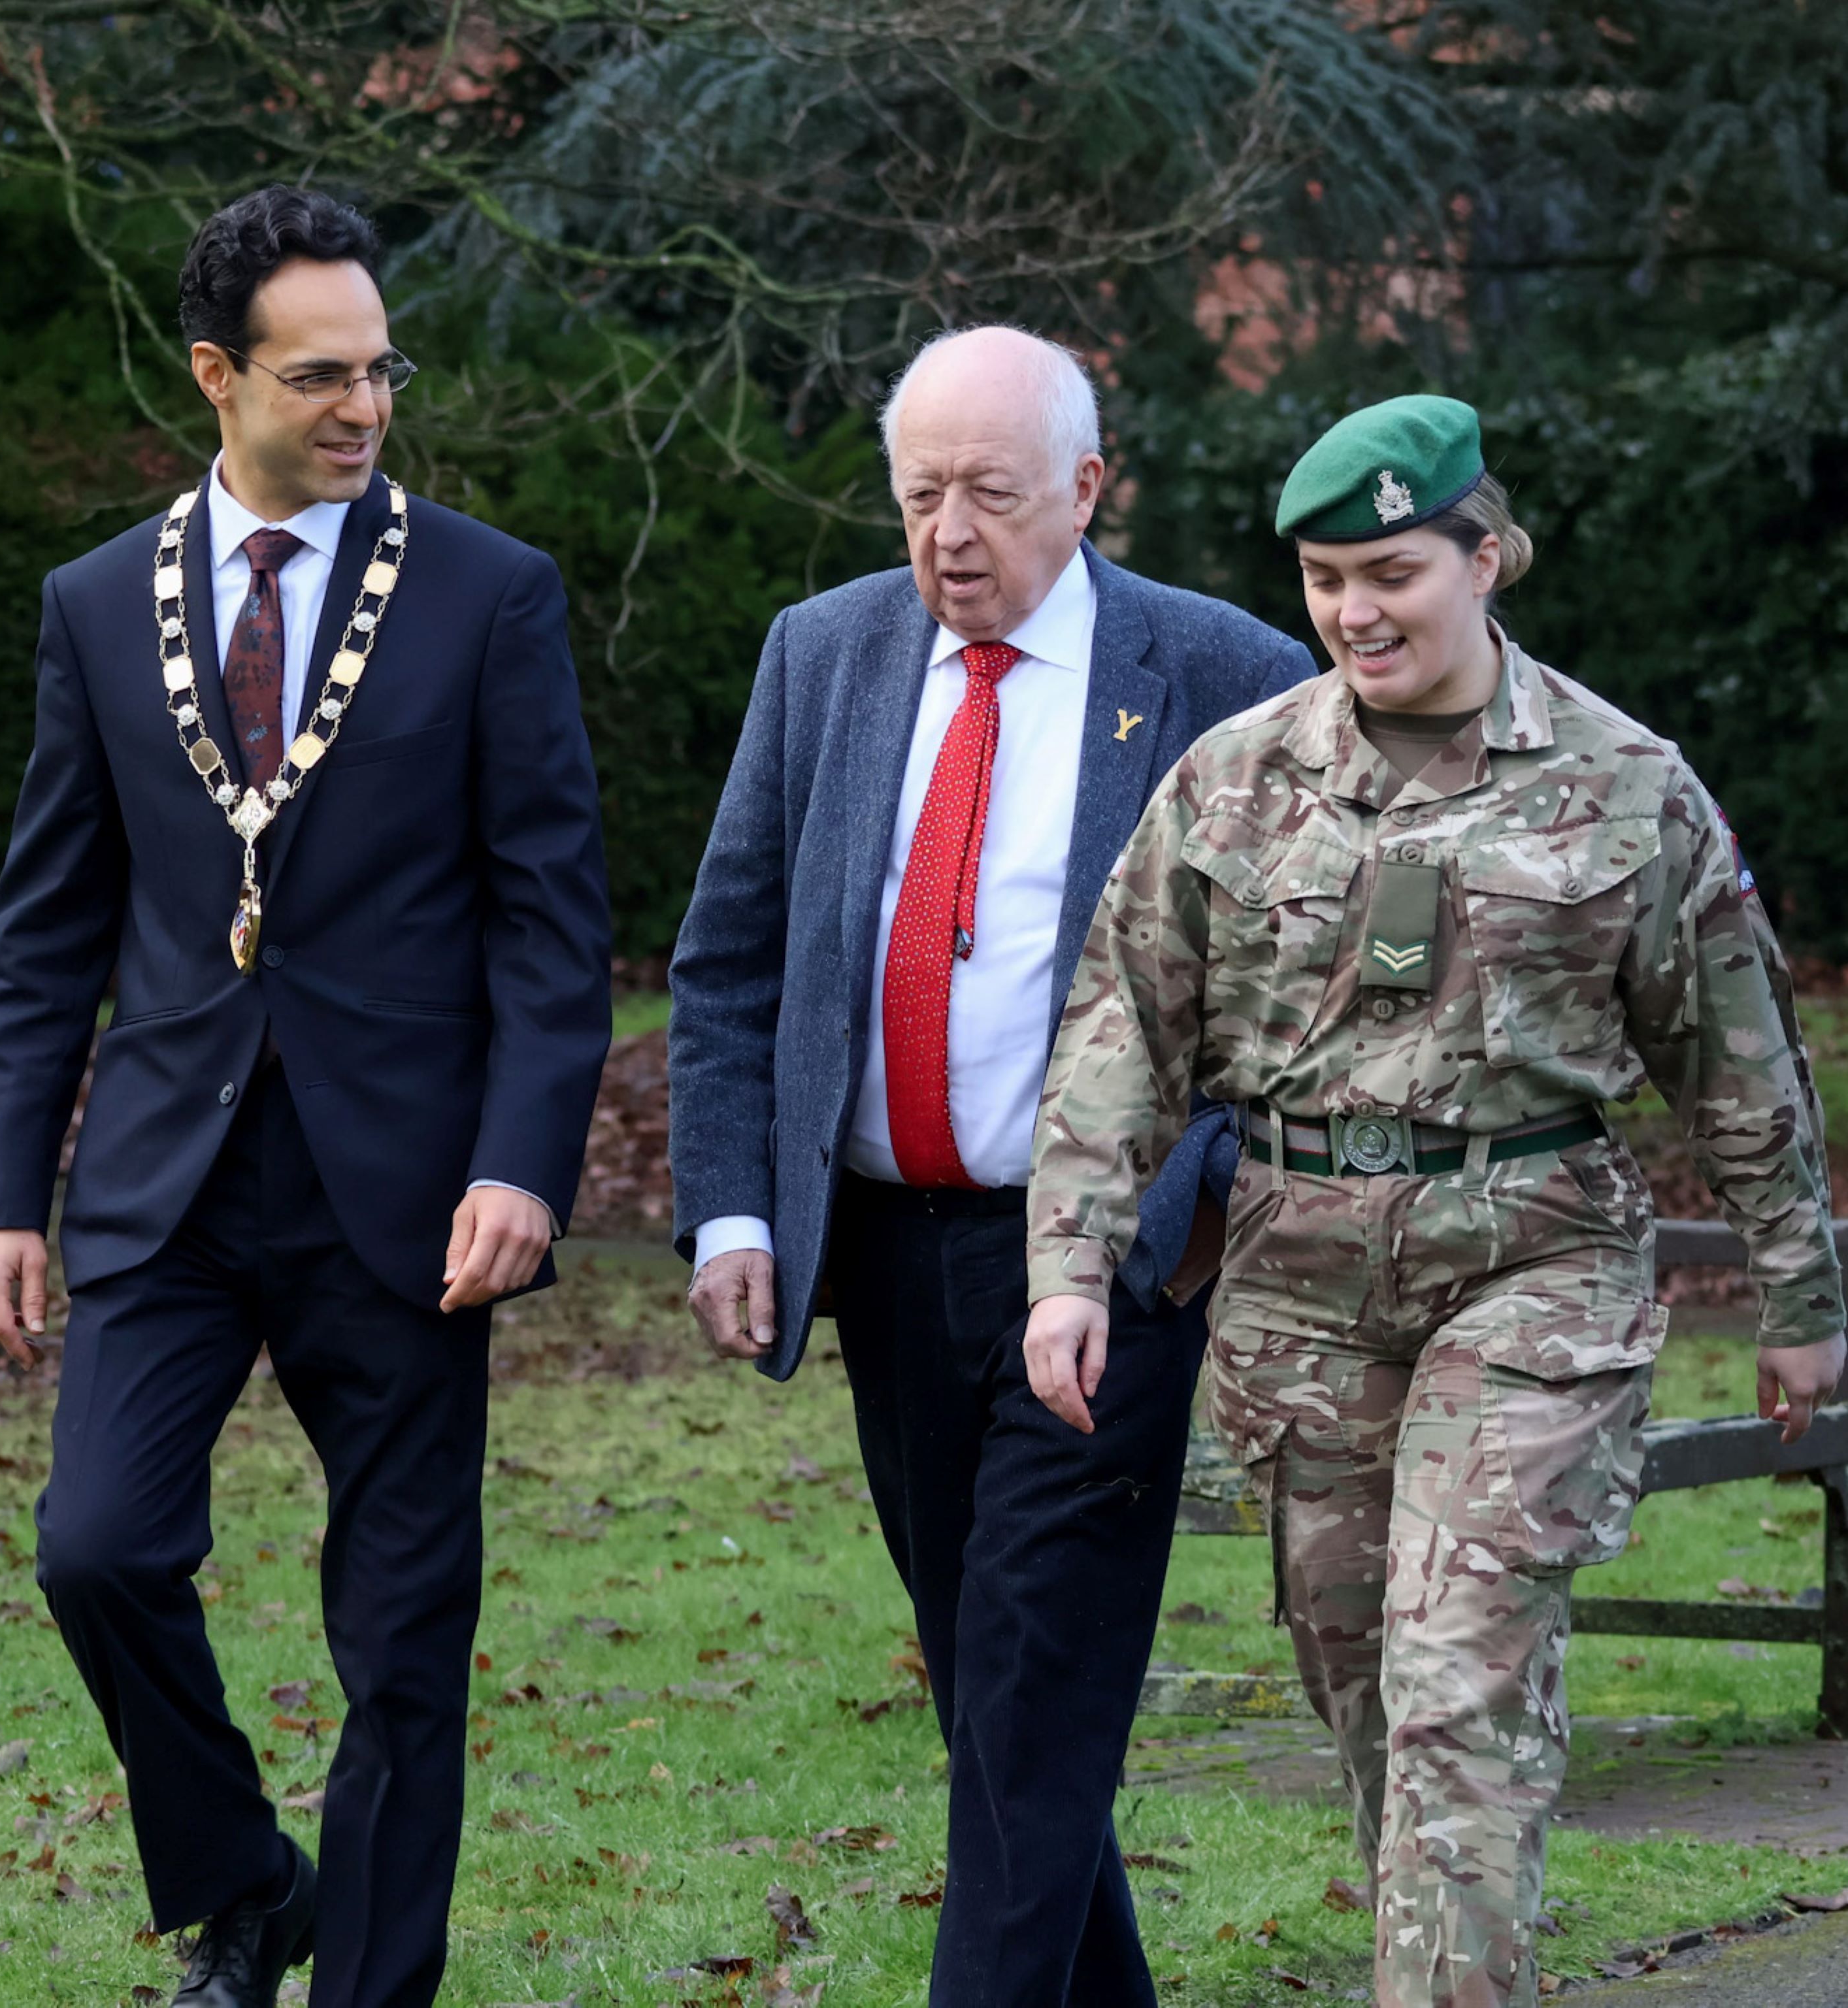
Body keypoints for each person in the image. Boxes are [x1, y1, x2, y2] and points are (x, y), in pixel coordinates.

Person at [1021, 393, 1845, 2007]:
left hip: (1530, 1260)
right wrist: (1069, 1263)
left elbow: (1736, 1054)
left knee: (1459, 1677)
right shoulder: (1232, 781)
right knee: (1366, 1684)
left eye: (1392, 570)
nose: (1355, 611)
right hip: (1302, 1286)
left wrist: (1798, 1296)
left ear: (1488, 555)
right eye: (1327, 579)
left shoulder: (1625, 784)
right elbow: (1123, 1029)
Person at [0, 188, 611, 2008]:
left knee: (404, 1638)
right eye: (320, 376)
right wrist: (2, 1192)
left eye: (381, 370)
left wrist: (523, 1166)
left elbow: (553, 924)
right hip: (164, 1184)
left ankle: (370, 1987)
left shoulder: (488, 592)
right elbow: (48, 927)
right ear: (212, 378)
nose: (365, 407)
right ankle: (247, 1876)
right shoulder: (98, 604)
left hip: (405, 1201)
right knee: (95, 1549)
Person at [665, 325, 1315, 2008]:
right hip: (885, 1256)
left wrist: (1181, 1222)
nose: (950, 532)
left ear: (1087, 490)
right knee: (1000, 1691)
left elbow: (1284, 996)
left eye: (992, 494)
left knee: (1028, 1690)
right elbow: (732, 960)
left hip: (1100, 1265)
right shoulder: (823, 655)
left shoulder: (1221, 673)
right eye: (918, 494)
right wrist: (735, 1207)